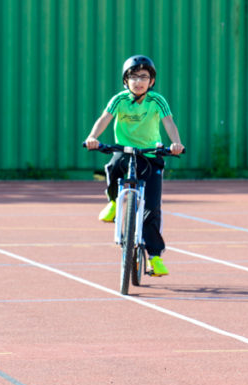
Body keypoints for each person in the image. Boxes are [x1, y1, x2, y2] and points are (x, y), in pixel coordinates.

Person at [83, 55, 185, 277]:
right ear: (125, 80)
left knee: (152, 208)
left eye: (144, 77)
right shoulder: (118, 100)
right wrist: (92, 137)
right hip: (125, 151)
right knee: (112, 166)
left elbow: (169, 122)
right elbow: (104, 118)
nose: (138, 81)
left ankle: (155, 257)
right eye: (133, 77)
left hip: (150, 155)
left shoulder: (157, 101)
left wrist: (176, 143)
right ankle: (112, 201)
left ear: (152, 81)